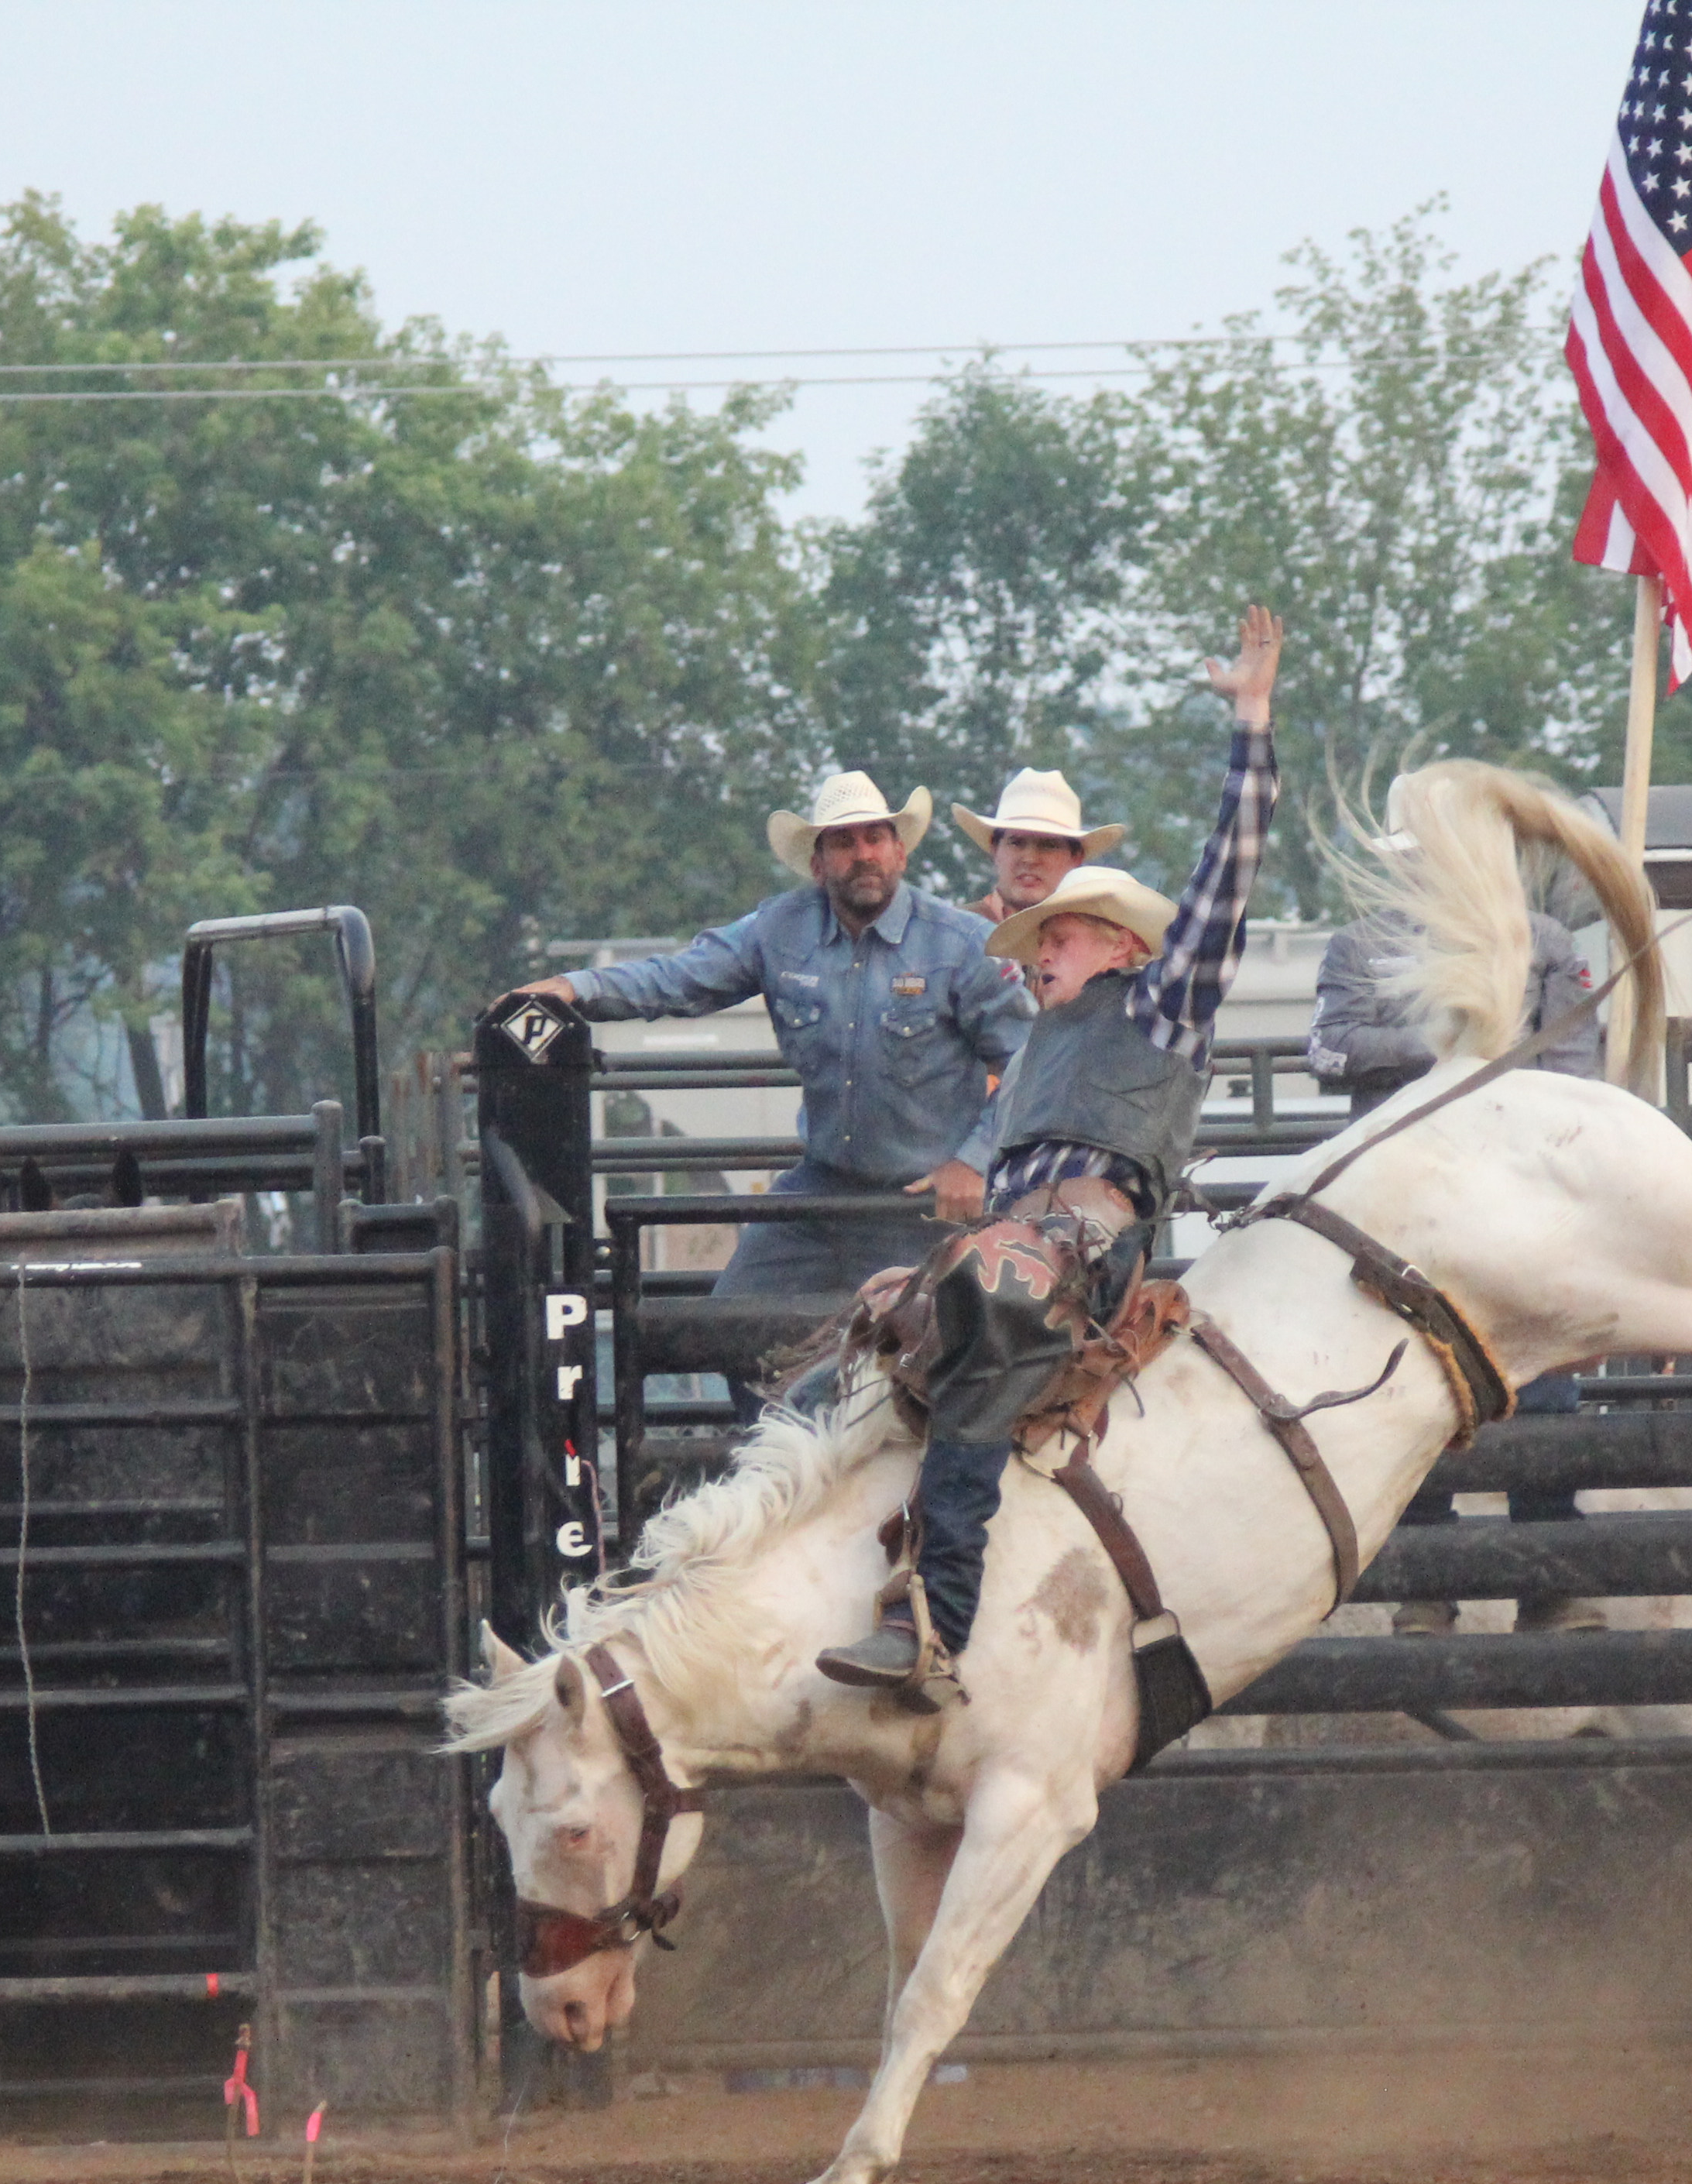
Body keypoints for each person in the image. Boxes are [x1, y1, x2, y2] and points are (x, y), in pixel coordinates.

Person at [816, 605, 1282, 1703]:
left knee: (987, 1330)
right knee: (885, 1326)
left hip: (1086, 1250)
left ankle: (935, 1625)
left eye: (1057, 936)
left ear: (1119, 943)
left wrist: (1251, 725)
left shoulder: (1164, 1004)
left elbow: (1229, 876)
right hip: (1022, 1248)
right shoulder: (1037, 1046)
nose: (1039, 953)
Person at [510, 771, 1030, 1302]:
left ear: (900, 853)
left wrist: (973, 1160)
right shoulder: (779, 929)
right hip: (821, 1191)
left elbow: (1026, 1061)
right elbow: (682, 977)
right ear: (818, 863)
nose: (863, 854)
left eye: (875, 838)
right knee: (731, 1326)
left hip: (922, 1203)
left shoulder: (963, 946)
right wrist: (576, 987)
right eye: (844, 842)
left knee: (922, 1357)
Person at [1306, 840, 1610, 1636]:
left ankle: (1546, 1578)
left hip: (1512, 1181)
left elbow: (1577, 1067)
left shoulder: (1542, 941)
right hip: (1402, 1196)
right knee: (1409, 1376)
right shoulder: (1361, 945)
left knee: (1538, 1373)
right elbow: (1326, 1049)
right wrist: (1447, 1049)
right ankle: (1431, 1583)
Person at [954, 767, 1125, 932]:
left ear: (1076, 858)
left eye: (1048, 845)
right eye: (1017, 843)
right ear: (995, 849)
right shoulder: (954, 932)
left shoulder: (1094, 942)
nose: (1030, 858)